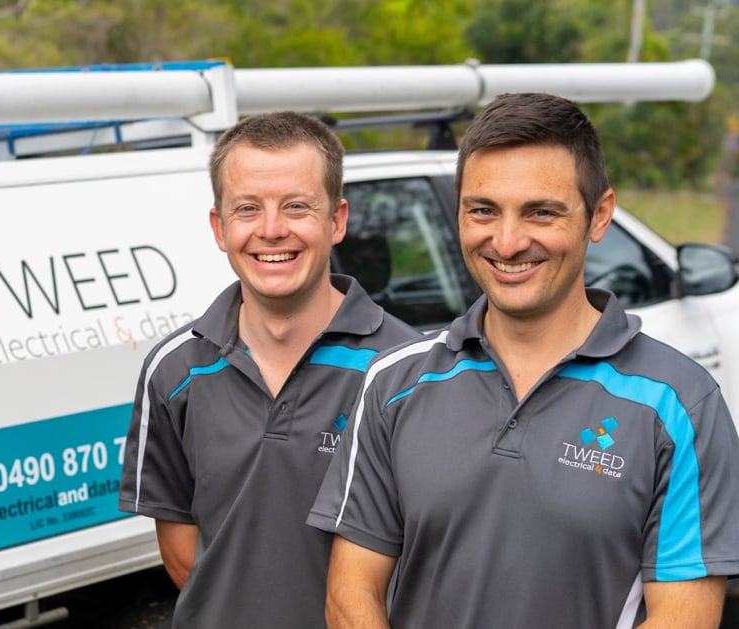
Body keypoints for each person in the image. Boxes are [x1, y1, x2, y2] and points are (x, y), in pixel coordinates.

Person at [308, 92, 739, 628]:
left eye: (541, 212)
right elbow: (352, 598)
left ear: (599, 215)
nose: (507, 242)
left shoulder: (682, 405)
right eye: (483, 210)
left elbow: (684, 620)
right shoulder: (393, 383)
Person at [118, 111, 418, 628]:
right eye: (248, 209)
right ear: (220, 227)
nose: (272, 230)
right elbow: (182, 549)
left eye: (297, 207)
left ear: (337, 220)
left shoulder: (406, 371)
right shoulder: (173, 371)